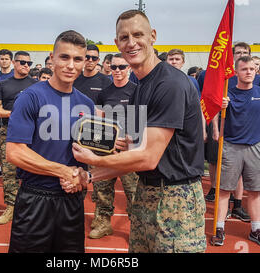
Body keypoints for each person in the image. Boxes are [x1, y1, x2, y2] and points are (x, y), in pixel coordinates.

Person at [69, 10, 206, 253]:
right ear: (116, 43)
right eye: (124, 37)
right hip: (147, 193)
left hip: (176, 199)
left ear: (152, 36)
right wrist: (89, 176)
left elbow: (148, 157)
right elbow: (135, 151)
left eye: (138, 34)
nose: (131, 43)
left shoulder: (169, 84)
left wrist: (93, 161)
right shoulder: (141, 88)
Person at [6, 30, 94, 253]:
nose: (71, 65)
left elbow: (91, 154)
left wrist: (86, 173)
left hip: (72, 200)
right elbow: (15, 153)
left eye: (77, 59)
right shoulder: (30, 97)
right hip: (36, 199)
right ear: (52, 58)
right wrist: (63, 171)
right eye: (64, 57)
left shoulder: (87, 104)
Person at [210, 56, 260, 248]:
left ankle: (256, 229)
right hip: (230, 146)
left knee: (255, 191)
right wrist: (217, 121)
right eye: (244, 69)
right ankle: (219, 228)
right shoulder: (227, 94)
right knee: (224, 190)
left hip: (255, 147)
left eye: (252, 69)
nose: (248, 72)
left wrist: (257, 128)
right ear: (236, 72)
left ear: (256, 71)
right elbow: (213, 113)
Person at [88, 53, 138, 239]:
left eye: (122, 67)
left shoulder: (136, 91)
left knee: (133, 192)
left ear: (129, 68)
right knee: (102, 189)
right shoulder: (104, 92)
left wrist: (129, 142)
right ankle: (103, 223)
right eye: (114, 67)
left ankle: (136, 229)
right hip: (106, 149)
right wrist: (107, 141)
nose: (117, 71)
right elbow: (98, 121)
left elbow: (141, 122)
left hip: (129, 150)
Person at [0, 50, 37, 225]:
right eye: (22, 62)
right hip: (9, 132)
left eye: (29, 63)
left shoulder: (36, 85)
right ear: (14, 63)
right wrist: (14, 114)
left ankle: (31, 207)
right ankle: (11, 207)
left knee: (32, 171)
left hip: (33, 134)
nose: (26, 66)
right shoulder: (2, 85)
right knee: (9, 173)